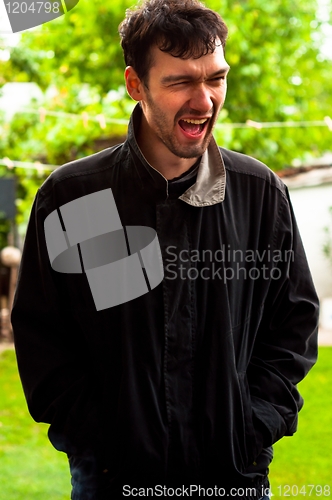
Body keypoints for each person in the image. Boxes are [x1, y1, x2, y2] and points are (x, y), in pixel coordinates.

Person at [12, 0, 319, 498]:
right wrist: (101, 443)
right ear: (136, 86)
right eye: (180, 82)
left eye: (215, 78)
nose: (204, 101)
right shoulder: (76, 196)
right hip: (113, 482)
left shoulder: (259, 193)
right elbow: (44, 341)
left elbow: (294, 325)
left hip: (233, 477)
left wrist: (254, 425)